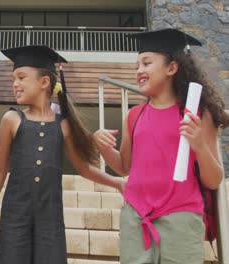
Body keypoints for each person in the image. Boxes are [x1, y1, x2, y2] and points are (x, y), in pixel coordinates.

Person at [0, 45, 124, 264]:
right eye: (13, 78)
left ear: (44, 82)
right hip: (14, 219)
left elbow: (83, 168)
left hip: (50, 221)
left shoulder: (63, 126)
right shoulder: (11, 120)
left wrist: (117, 183)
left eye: (22, 77)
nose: (15, 84)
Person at [93, 29, 228, 264]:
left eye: (146, 63)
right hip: (136, 218)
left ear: (171, 68)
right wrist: (104, 148)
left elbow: (214, 180)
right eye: (137, 65)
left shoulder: (196, 115)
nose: (139, 71)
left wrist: (199, 145)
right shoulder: (134, 116)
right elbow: (125, 167)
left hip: (181, 218)